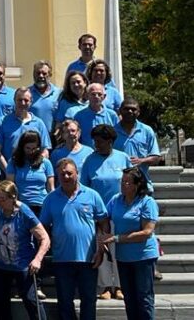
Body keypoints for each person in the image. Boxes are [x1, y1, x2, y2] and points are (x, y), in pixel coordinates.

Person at [40, 159, 110, 320]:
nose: (65, 176)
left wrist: (100, 249)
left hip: (88, 258)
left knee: (89, 300)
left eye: (69, 173)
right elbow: (43, 227)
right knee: (65, 302)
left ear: (77, 174)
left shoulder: (92, 195)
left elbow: (104, 223)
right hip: (62, 259)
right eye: (62, 173)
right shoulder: (51, 198)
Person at [80, 124, 132, 301]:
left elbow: (132, 182)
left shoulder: (123, 158)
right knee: (101, 248)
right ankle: (104, 286)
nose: (96, 144)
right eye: (94, 141)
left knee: (118, 250)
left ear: (110, 141)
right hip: (98, 214)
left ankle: (119, 285)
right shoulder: (89, 160)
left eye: (100, 141)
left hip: (120, 211)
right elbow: (84, 187)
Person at [101, 167, 160, 320]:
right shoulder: (116, 200)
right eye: (122, 181)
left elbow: (147, 232)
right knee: (129, 299)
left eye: (127, 182)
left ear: (137, 185)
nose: (123, 185)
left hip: (143, 257)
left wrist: (117, 238)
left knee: (144, 298)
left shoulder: (147, 202)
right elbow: (104, 217)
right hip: (123, 258)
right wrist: (104, 231)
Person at [0, 181, 50, 320]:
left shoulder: (24, 212)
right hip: (1, 265)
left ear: (13, 197)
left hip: (23, 264)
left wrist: (37, 259)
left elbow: (45, 238)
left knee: (31, 301)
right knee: (0, 303)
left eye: (2, 199)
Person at [0, 87, 52, 169]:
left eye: (26, 100)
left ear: (31, 102)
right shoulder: (1, 122)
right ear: (14, 100)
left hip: (33, 172)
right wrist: (8, 171)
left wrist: (36, 168)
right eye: (19, 100)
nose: (23, 103)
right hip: (9, 173)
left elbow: (45, 150)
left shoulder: (39, 123)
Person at [115, 97, 162, 188]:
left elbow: (156, 158)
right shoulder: (113, 132)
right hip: (118, 185)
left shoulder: (147, 131)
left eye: (133, 109)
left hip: (141, 184)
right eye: (126, 108)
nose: (130, 111)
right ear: (120, 111)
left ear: (138, 112)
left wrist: (141, 160)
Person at [6, 131, 55, 215]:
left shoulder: (46, 163)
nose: (31, 152)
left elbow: (51, 188)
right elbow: (10, 186)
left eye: (34, 148)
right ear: (22, 147)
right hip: (22, 205)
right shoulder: (13, 162)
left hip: (42, 205)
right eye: (28, 148)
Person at [28, 61, 62, 134]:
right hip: (33, 139)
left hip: (53, 138)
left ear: (50, 75)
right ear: (33, 75)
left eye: (44, 73)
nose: (41, 76)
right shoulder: (27, 93)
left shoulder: (59, 93)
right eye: (38, 73)